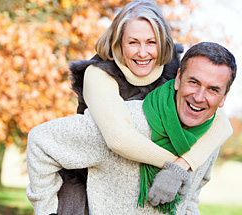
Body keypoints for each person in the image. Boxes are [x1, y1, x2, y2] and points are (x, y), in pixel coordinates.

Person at [58, 0, 232, 213]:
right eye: (133, 42)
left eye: (151, 42)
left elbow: (220, 122)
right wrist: (175, 167)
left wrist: (183, 165)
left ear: (163, 42)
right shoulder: (99, 74)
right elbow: (119, 138)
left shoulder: (174, 68)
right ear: (118, 42)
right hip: (86, 174)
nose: (143, 53)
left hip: (137, 177)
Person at [26, 41, 236, 215]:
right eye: (193, 82)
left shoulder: (209, 140)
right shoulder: (128, 120)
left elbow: (189, 199)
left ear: (224, 97)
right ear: (178, 79)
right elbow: (40, 141)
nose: (199, 97)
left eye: (213, 89)